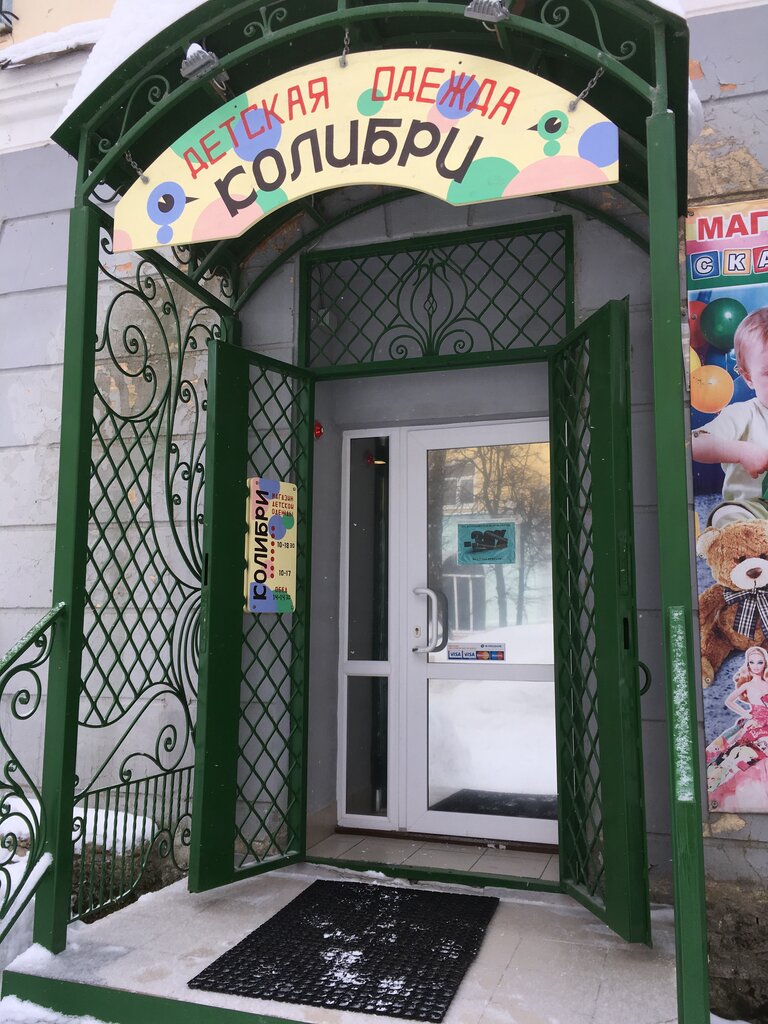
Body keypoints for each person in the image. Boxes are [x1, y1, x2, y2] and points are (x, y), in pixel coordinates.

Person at [692, 307, 768, 525]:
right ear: (748, 378)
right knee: (725, 514)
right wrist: (742, 451)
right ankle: (746, 545)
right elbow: (694, 443)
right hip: (754, 510)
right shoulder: (744, 414)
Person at [706, 646, 768, 798]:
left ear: (765, 664)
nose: (756, 666)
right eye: (752, 662)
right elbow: (729, 701)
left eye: (759, 662)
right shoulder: (747, 685)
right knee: (738, 755)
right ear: (748, 664)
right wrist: (746, 714)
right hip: (755, 724)